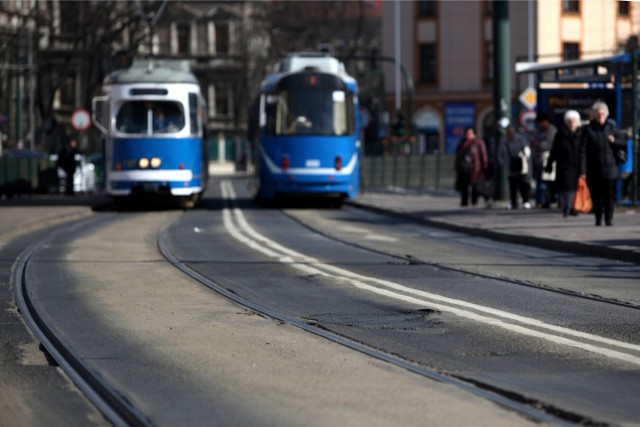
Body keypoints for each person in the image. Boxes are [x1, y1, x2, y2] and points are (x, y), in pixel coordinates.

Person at [580, 101, 624, 226]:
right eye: (598, 114)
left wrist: (614, 141)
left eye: (602, 114)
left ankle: (609, 219)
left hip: (611, 168)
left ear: (607, 114)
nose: (600, 116)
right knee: (596, 195)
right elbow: (582, 151)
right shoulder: (588, 130)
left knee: (610, 195)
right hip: (594, 169)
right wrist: (583, 171)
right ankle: (598, 218)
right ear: (594, 115)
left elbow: (623, 142)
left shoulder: (612, 128)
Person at [545, 110, 582, 218]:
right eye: (569, 121)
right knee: (566, 188)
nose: (571, 124)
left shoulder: (581, 133)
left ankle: (574, 207)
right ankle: (567, 207)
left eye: (574, 121)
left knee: (576, 187)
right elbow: (554, 150)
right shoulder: (560, 134)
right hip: (564, 165)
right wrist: (549, 164)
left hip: (578, 165)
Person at [498, 124, 532, 209]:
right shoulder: (503, 140)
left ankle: (525, 201)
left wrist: (524, 157)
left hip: (521, 165)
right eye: (508, 132)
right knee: (512, 185)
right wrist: (503, 163)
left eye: (511, 131)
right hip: (509, 166)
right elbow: (500, 153)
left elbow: (527, 150)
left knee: (523, 184)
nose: (510, 133)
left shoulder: (520, 139)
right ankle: (514, 202)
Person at [454, 127, 488, 207]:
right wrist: (457, 166)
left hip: (475, 168)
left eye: (470, 134)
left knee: (475, 186)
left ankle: (474, 202)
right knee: (464, 187)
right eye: (467, 134)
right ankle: (464, 203)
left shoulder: (478, 142)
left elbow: (483, 154)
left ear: (474, 134)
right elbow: (459, 155)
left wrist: (484, 166)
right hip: (464, 168)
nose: (468, 135)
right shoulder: (462, 143)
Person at [531, 112, 557, 208]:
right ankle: (540, 201)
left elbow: (550, 145)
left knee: (545, 182)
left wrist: (539, 144)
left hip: (547, 160)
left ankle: (545, 201)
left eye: (540, 122)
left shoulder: (551, 130)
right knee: (539, 181)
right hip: (537, 160)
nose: (539, 125)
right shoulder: (538, 130)